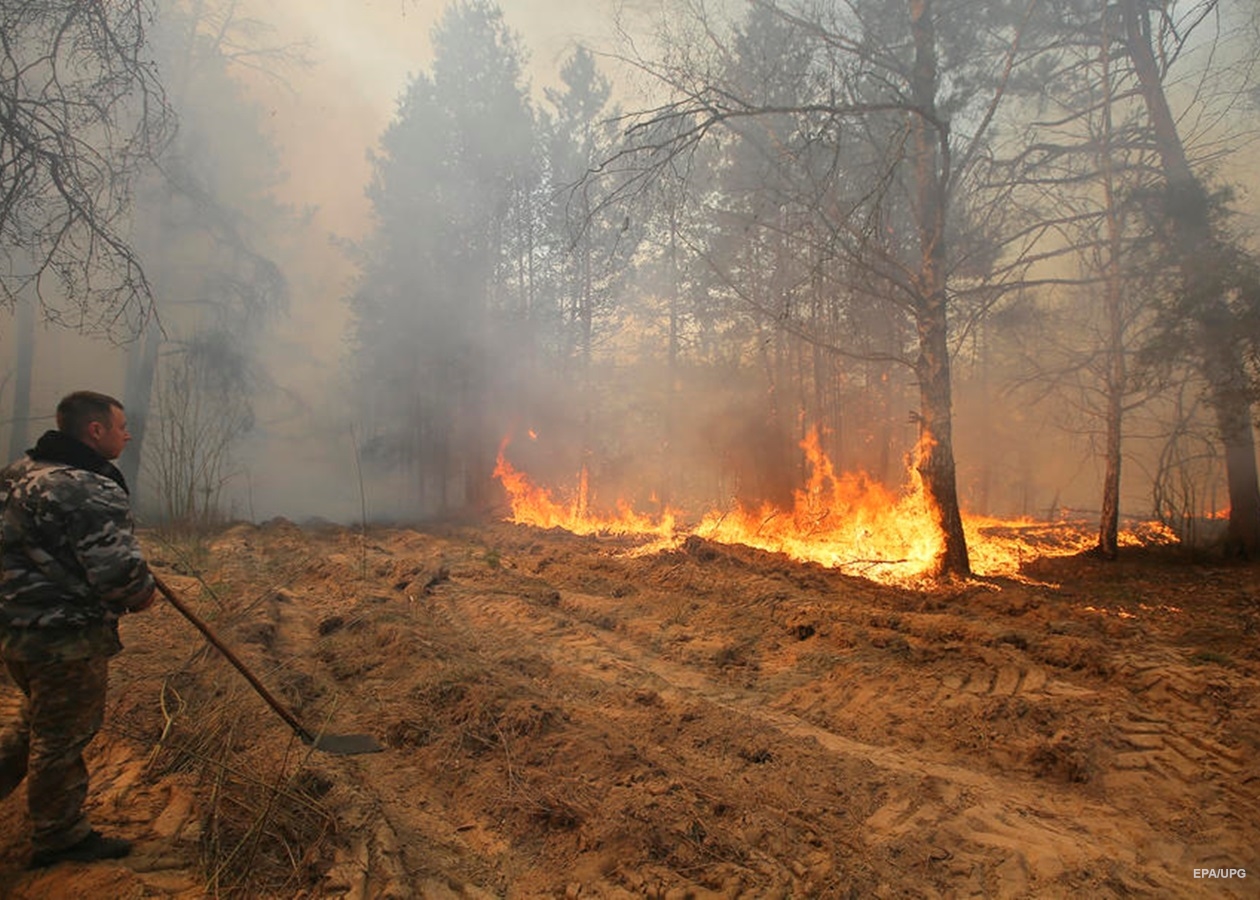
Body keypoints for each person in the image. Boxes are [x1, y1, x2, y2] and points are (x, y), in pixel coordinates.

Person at [0, 390, 155, 868]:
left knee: (35, 726)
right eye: (121, 426)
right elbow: (118, 575)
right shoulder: (91, 489)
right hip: (65, 638)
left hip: (16, 632)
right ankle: (60, 836)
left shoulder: (17, 475)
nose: (127, 434)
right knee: (61, 738)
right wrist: (142, 591)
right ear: (95, 431)